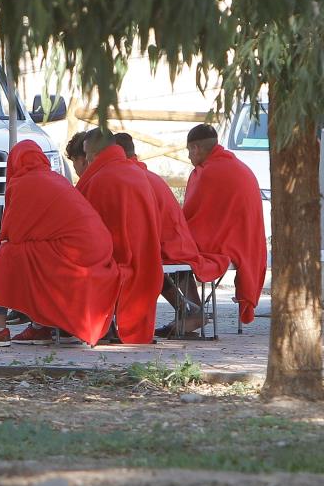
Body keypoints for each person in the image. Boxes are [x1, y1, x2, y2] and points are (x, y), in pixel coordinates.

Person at [0, 140, 120, 347]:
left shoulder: (22, 183)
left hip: (75, 250)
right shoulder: (56, 178)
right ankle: (43, 325)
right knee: (32, 254)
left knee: (5, 254)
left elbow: (12, 235)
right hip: (98, 249)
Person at [114, 133, 229, 337]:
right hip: (178, 240)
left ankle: (191, 311)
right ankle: (192, 309)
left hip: (170, 245)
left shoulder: (129, 177)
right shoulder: (143, 175)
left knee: (140, 261)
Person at [77, 128, 162, 344]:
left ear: (96, 153)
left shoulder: (101, 178)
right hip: (147, 259)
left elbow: (88, 229)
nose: (86, 160)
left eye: (87, 155)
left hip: (117, 259)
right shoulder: (134, 172)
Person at [182, 124, 267, 325]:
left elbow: (189, 218)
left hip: (225, 245)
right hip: (249, 247)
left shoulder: (205, 172)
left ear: (196, 148)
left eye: (189, 151)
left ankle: (193, 312)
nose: (189, 157)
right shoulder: (238, 166)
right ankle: (194, 313)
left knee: (168, 252)